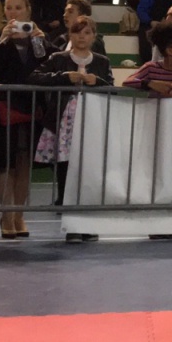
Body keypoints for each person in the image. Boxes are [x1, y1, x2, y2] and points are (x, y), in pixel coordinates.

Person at [27, 15, 113, 233]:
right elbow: (35, 77)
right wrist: (64, 77)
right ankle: (71, 224)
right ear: (70, 35)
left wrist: (98, 81)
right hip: (64, 122)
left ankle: (88, 224)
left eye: (87, 33)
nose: (82, 37)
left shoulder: (102, 61)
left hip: (92, 121)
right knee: (65, 168)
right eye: (77, 32)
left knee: (89, 170)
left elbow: (112, 88)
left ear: (94, 36)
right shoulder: (58, 58)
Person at [0, 0, 54, 239]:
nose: (13, 12)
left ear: (28, 11)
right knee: (5, 162)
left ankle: (19, 215)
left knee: (24, 163)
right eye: (9, 8)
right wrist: (4, 41)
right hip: (2, 105)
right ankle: (6, 215)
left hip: (31, 105)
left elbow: (50, 64)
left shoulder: (38, 37)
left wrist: (42, 41)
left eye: (18, 8)